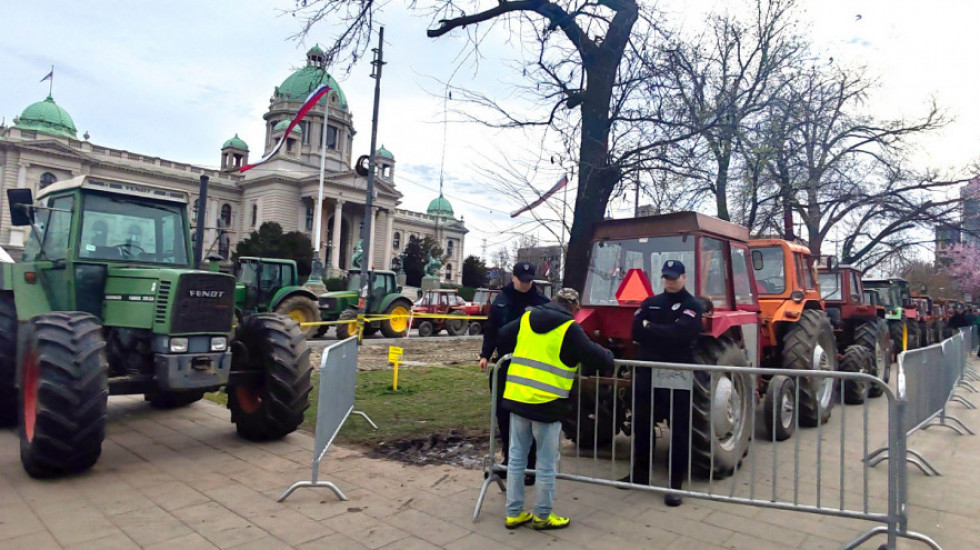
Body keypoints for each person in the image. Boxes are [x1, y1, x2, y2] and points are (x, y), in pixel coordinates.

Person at [495, 288, 615, 530]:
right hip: (547, 406)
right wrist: (610, 355)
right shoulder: (569, 328)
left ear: (553, 301)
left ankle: (513, 513)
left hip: (518, 399)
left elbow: (503, 334)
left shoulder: (527, 318)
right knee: (547, 463)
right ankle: (542, 515)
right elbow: (597, 358)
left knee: (517, 458)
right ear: (575, 308)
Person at [622, 260, 704, 507]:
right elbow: (635, 330)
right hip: (648, 370)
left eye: (675, 277)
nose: (670, 281)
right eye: (667, 277)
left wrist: (651, 327)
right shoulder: (651, 302)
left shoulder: (692, 305)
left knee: (678, 428)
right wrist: (662, 329)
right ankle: (639, 475)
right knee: (642, 422)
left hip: (676, 371)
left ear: (684, 278)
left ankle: (675, 485)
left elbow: (682, 334)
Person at [480, 262, 550, 482]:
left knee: (525, 416)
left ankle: (528, 467)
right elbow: (491, 329)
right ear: (514, 277)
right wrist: (485, 354)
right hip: (504, 364)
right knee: (503, 414)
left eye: (530, 280)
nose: (526, 283)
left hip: (530, 367)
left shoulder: (542, 303)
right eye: (523, 279)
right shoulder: (502, 299)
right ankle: (510, 461)